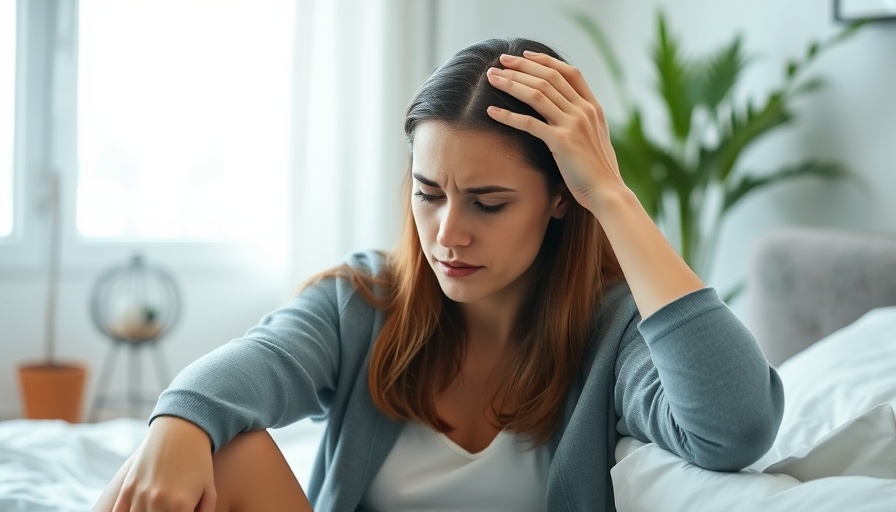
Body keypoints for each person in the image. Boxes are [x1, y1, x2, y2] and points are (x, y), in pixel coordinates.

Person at [95, 37, 784, 512]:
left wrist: (611, 195)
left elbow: (737, 426)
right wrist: (177, 425)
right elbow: (253, 367)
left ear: (559, 200)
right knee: (223, 448)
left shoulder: (610, 334)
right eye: (429, 193)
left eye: (488, 203)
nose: (447, 233)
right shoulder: (362, 302)